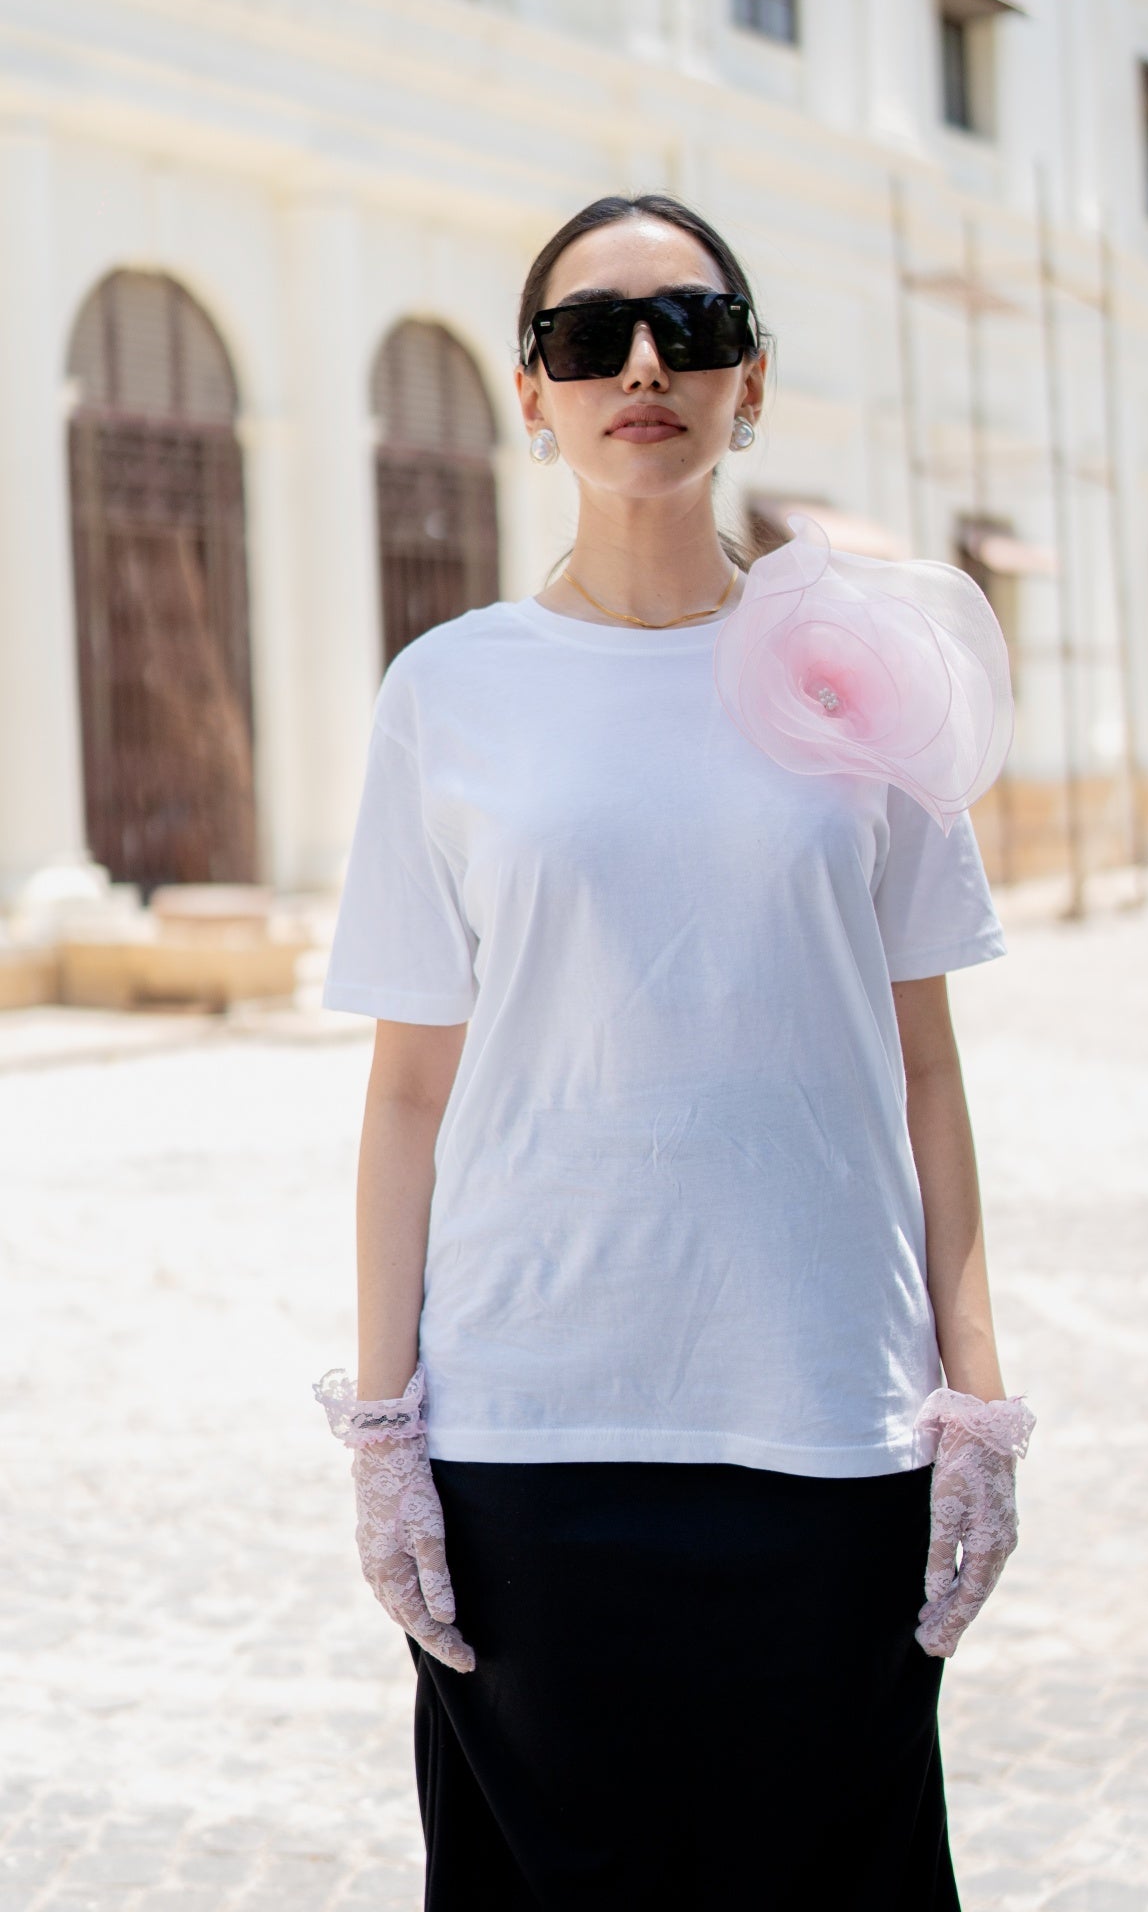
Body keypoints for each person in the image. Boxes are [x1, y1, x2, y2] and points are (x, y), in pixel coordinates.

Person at [313, 192, 1035, 1911]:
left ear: (752, 381)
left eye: (692, 330)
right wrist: (387, 1433)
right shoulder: (450, 691)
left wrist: (979, 1412)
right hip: (530, 1441)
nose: (644, 364)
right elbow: (411, 1091)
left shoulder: (863, 682)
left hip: (825, 1432)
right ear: (533, 393)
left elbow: (927, 1064)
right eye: (590, 337)